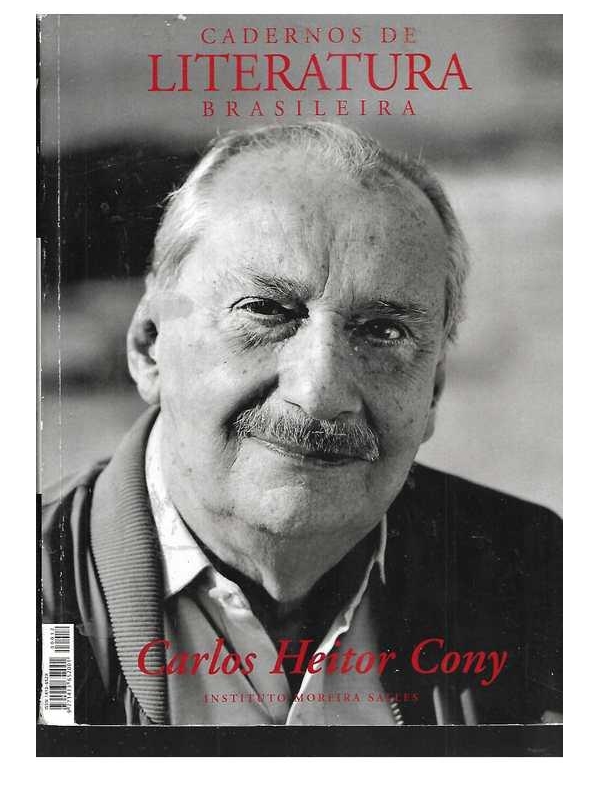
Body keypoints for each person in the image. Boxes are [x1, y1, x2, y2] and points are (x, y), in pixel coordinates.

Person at [41, 122, 561, 727]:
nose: (318, 394)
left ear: (433, 392)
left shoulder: (543, 578)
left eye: (383, 331)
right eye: (267, 311)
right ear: (150, 345)